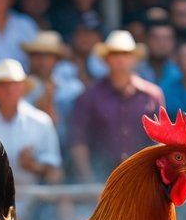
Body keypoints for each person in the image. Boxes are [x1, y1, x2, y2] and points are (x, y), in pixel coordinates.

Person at [0, 59, 64, 220]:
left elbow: (55, 173)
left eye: (14, 84)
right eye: (3, 84)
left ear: (23, 88)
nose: (10, 89)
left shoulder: (41, 122)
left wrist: (33, 165)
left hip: (36, 207)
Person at [68, 30, 164, 183]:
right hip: (101, 178)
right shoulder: (89, 95)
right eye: (115, 54)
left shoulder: (152, 95)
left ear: (134, 59)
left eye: (125, 54)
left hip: (142, 179)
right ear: (106, 59)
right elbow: (79, 140)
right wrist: (88, 178)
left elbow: (158, 143)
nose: (120, 59)